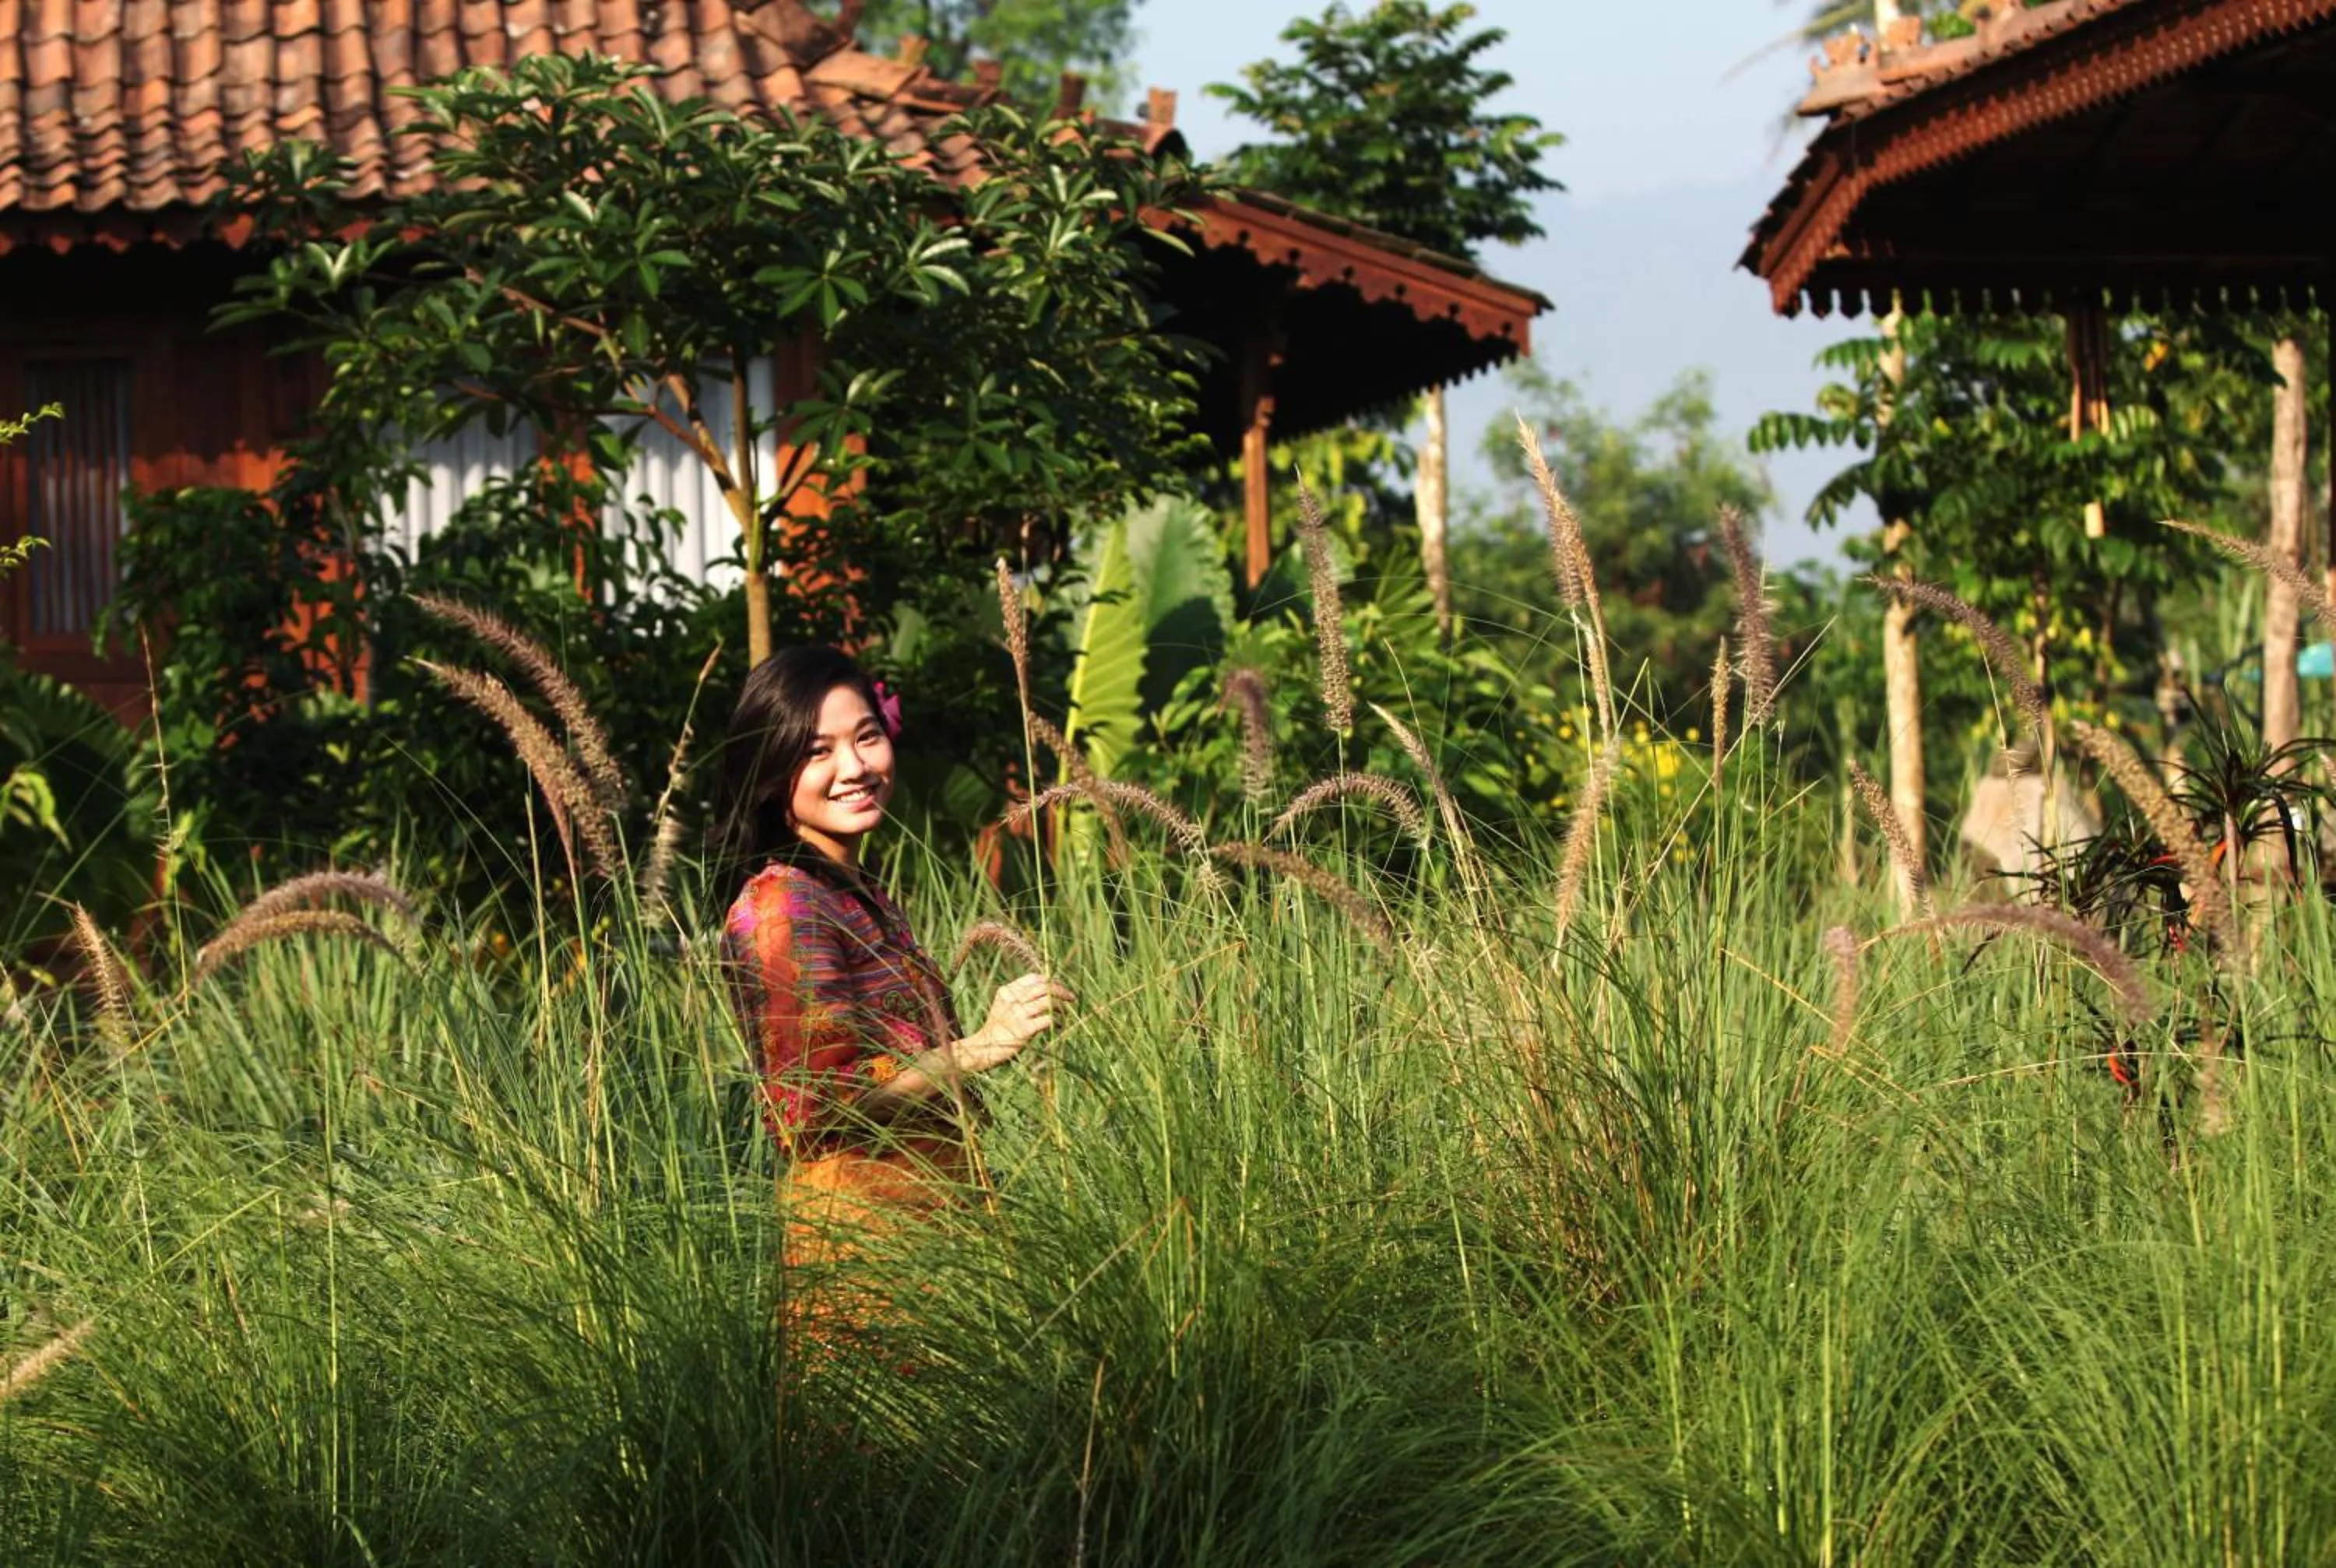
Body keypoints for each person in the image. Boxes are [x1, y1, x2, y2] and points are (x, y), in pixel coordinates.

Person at [712, 645, 1068, 1264]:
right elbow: (812, 1107)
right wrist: (981, 1046)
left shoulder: (853, 893)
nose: (854, 767)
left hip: (934, 1229)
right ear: (771, 773)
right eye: (818, 751)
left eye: (867, 737)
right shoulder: (783, 906)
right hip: (867, 1246)